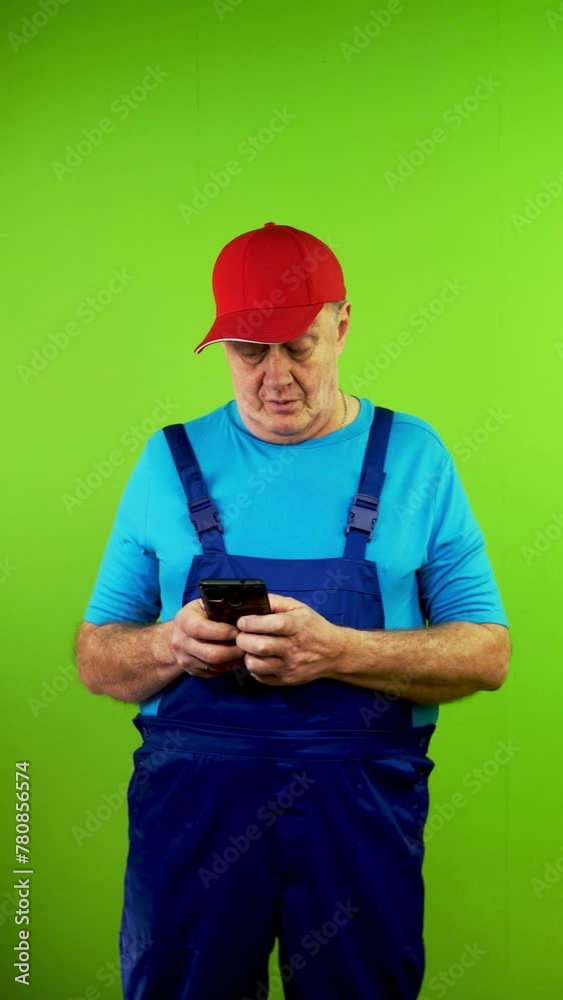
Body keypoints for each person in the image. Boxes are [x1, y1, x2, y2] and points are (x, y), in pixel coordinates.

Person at [75, 222, 511, 1000]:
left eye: (298, 347)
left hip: (357, 822)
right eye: (249, 351)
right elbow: (95, 660)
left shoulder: (414, 457)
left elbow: (486, 654)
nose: (275, 377)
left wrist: (340, 652)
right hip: (192, 824)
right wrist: (171, 646)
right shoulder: (166, 461)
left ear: (341, 326)